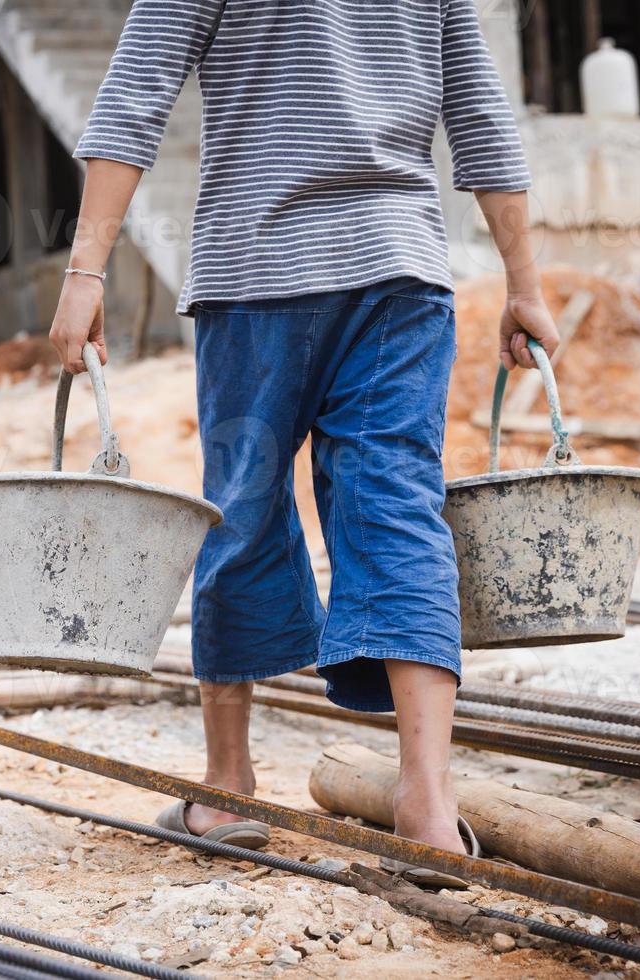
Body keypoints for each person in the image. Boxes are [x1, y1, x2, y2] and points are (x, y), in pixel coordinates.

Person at [49, 1, 558, 880]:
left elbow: (135, 95)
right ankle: (428, 807)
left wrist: (84, 272)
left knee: (240, 505)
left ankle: (228, 786)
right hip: (399, 278)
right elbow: (480, 116)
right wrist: (525, 283)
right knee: (399, 507)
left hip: (257, 279)